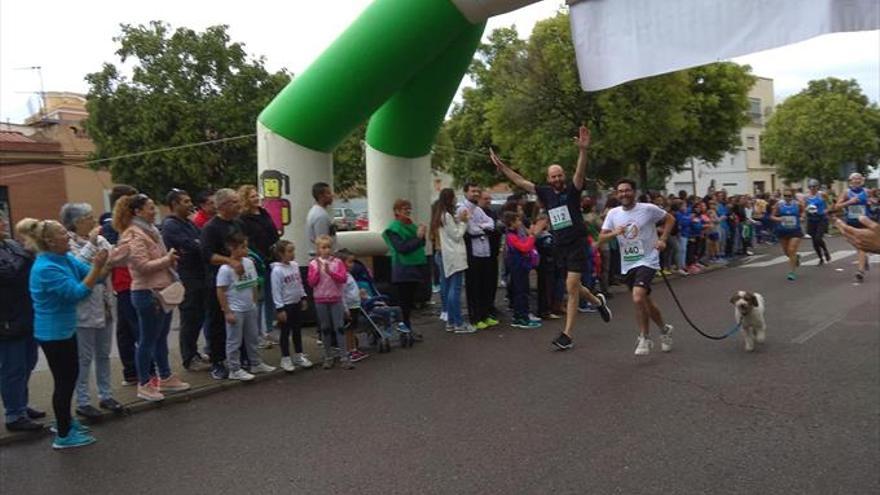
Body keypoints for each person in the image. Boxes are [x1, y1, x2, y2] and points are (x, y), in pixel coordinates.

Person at [491, 125, 612, 351]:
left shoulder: (573, 190)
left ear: (563, 176)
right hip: (560, 246)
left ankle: (567, 335)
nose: (556, 178)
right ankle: (597, 301)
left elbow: (580, 172)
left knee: (571, 285)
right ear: (548, 178)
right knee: (574, 286)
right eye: (552, 176)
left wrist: (583, 151)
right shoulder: (544, 192)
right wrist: (502, 167)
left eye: (559, 175)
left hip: (577, 243)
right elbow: (520, 181)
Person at [17, 218, 107, 449]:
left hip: (65, 328)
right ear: (49, 241)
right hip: (53, 333)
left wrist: (105, 264)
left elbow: (95, 276)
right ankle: (64, 435)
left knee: (69, 377)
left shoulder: (63, 257)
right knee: (65, 382)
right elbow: (77, 293)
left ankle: (64, 421)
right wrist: (97, 268)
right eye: (62, 234)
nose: (67, 236)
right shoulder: (46, 267)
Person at [112, 193, 190, 402]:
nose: (154, 211)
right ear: (137, 211)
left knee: (160, 337)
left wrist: (168, 260)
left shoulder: (152, 231)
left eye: (153, 206)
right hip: (147, 292)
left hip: (161, 290)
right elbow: (141, 266)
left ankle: (164, 376)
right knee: (147, 339)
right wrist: (167, 260)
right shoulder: (133, 234)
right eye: (150, 207)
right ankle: (144, 383)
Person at [60, 203, 123, 418]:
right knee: (83, 357)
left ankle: (106, 395)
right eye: (88, 217)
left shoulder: (100, 239)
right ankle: (83, 400)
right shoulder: (67, 243)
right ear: (76, 222)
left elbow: (113, 258)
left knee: (103, 354)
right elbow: (76, 269)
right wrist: (93, 246)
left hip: (104, 304)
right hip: (83, 309)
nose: (93, 220)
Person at [599, 179, 676, 356]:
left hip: (648, 259)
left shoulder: (648, 209)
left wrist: (663, 239)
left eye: (627, 190)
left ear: (634, 192)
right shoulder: (613, 213)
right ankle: (664, 330)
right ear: (617, 194)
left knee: (637, 296)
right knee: (644, 300)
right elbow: (602, 238)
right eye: (620, 191)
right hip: (628, 263)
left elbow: (670, 219)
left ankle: (644, 337)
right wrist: (614, 233)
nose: (623, 194)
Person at [0, 212, 45, 432]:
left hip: (27, 313)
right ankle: (13, 414)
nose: (4, 223)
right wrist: (27, 255)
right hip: (7, 318)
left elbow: (30, 263)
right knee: (12, 366)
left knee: (28, 361)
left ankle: (21, 404)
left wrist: (27, 257)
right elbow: (8, 274)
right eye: (0, 221)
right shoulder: (19, 250)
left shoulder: (10, 244)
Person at [161, 188, 210, 371]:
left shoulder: (188, 224)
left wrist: (198, 244)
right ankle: (188, 358)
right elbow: (191, 245)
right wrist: (197, 245)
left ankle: (195, 352)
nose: (190, 205)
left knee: (198, 317)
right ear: (174, 204)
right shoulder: (171, 225)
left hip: (199, 275)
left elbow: (201, 242)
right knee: (189, 317)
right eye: (186, 201)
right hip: (186, 277)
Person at [217, 233, 276, 381]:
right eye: (242, 247)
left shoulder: (249, 262)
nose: (246, 249)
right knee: (234, 340)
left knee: (253, 337)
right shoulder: (225, 269)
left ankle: (255, 363)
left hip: (250, 307)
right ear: (232, 248)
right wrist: (227, 311)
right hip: (235, 309)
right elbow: (221, 290)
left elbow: (254, 283)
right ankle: (234, 369)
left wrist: (254, 302)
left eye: (246, 246)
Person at [200, 188, 245, 380]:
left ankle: (239, 357)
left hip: (239, 280)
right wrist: (230, 261)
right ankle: (217, 361)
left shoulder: (237, 223)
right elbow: (208, 255)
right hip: (218, 282)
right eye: (235, 202)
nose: (239, 205)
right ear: (224, 205)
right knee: (217, 321)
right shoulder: (211, 228)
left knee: (240, 317)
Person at [100, 185, 139, 386]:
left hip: (127, 282)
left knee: (126, 328)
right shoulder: (112, 228)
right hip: (126, 283)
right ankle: (139, 371)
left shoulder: (131, 226)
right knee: (134, 328)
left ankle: (133, 370)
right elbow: (113, 256)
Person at [238, 184, 280, 343]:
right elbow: (247, 241)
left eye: (257, 195)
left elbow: (274, 233)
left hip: (271, 259)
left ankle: (268, 329)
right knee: (258, 297)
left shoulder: (264, 213)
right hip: (256, 261)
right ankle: (256, 333)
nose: (256, 198)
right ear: (246, 199)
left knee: (270, 296)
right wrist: (258, 256)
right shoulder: (243, 218)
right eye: (252, 196)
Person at [382, 198, 429, 336]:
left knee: (410, 301)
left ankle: (407, 328)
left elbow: (421, 244)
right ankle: (404, 328)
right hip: (403, 268)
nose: (408, 211)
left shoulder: (412, 225)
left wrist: (422, 236)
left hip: (416, 266)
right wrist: (418, 237)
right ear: (397, 211)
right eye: (404, 208)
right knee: (404, 302)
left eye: (409, 208)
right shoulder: (393, 229)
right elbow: (402, 248)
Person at [432, 188, 474, 334]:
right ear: (450, 199)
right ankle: (458, 323)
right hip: (452, 255)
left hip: (443, 255)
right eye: (454, 197)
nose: (456, 199)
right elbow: (456, 235)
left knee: (448, 287)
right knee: (454, 290)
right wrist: (464, 222)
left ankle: (450, 321)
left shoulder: (440, 216)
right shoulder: (446, 216)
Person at [457, 184, 498, 330]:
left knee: (485, 285)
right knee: (474, 286)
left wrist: (482, 227)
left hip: (485, 252)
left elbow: (491, 224)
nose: (476, 193)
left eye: (477, 191)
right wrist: (483, 228)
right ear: (465, 192)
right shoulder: (462, 209)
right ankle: (475, 318)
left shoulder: (479, 209)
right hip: (472, 254)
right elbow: (471, 230)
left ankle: (485, 315)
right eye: (473, 191)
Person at [307, 235, 351, 370]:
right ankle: (328, 356)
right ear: (318, 249)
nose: (326, 250)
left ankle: (344, 356)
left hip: (335, 298)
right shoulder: (313, 264)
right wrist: (319, 272)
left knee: (339, 327)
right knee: (325, 328)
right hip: (320, 299)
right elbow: (311, 282)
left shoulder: (337, 262)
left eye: (328, 247)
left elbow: (343, 278)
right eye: (323, 247)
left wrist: (330, 272)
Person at [270, 240, 313, 372]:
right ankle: (285, 358)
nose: (292, 253)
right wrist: (280, 309)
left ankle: (299, 355)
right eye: (289, 251)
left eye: (293, 250)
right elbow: (276, 290)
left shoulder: (294, 265)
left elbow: (299, 283)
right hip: (286, 305)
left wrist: (303, 297)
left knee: (297, 330)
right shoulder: (277, 271)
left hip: (296, 303)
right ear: (281, 254)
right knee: (285, 332)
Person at [504, 211, 545, 329]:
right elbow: (524, 247)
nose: (520, 222)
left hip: (521, 266)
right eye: (517, 220)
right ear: (512, 222)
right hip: (518, 266)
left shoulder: (515, 234)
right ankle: (521, 317)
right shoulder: (511, 236)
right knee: (521, 292)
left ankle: (521, 316)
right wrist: (532, 236)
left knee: (523, 291)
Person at [835, 173, 871, 282]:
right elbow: (837, 206)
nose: (857, 181)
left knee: (861, 246)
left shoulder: (866, 191)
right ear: (850, 181)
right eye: (854, 179)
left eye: (859, 179)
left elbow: (873, 201)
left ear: (862, 180)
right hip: (851, 222)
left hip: (864, 221)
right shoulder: (846, 192)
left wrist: (871, 202)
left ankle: (860, 271)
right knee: (855, 243)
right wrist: (849, 202)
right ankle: (865, 259)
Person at [338, 250, 370, 363]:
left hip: (355, 305)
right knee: (348, 329)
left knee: (352, 329)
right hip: (349, 307)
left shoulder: (349, 275)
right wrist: (345, 309)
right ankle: (349, 350)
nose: (352, 265)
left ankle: (353, 349)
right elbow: (341, 294)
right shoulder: (342, 278)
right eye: (350, 262)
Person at [770, 188, 804, 281]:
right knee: (787, 252)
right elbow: (772, 216)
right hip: (782, 230)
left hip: (795, 230)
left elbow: (803, 212)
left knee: (791, 249)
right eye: (785, 196)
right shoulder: (779, 204)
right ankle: (796, 257)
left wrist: (802, 217)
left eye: (789, 196)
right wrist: (779, 219)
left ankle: (792, 272)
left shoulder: (797, 204)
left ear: (792, 196)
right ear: (783, 196)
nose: (787, 198)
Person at [479, 190, 502, 319]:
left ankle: (491, 305)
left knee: (493, 281)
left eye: (489, 199)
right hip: (482, 253)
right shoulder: (478, 212)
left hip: (493, 252)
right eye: (485, 198)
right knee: (484, 282)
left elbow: (496, 228)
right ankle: (484, 307)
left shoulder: (493, 213)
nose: (488, 201)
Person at [804, 179, 831, 265]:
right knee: (814, 241)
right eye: (810, 187)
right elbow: (804, 208)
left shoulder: (822, 195)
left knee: (818, 238)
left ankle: (825, 251)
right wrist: (806, 210)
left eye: (814, 186)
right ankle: (820, 258)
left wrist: (826, 211)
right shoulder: (806, 197)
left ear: (817, 187)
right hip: (811, 219)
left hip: (821, 219)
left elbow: (831, 204)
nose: (812, 188)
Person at [306, 182, 336, 255]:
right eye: (328, 193)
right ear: (320, 196)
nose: (332, 195)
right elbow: (322, 241)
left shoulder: (316, 211)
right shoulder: (320, 216)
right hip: (323, 260)